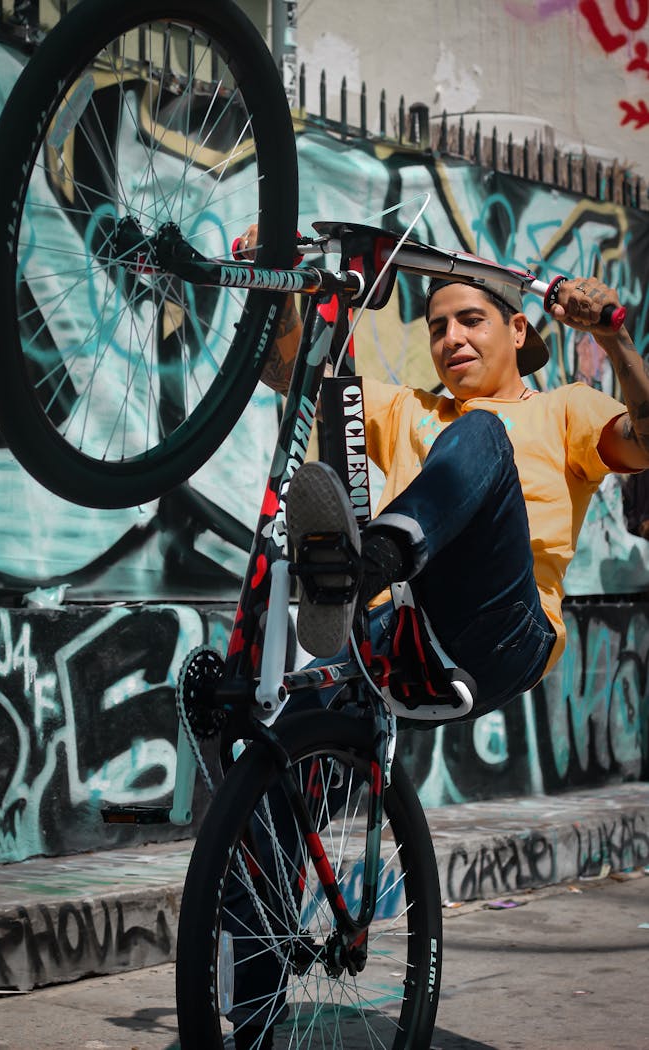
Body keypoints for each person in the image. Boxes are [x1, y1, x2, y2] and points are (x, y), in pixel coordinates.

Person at [230, 227, 649, 1048]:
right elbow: (289, 372)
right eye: (437, 327)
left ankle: (374, 556)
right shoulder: (405, 409)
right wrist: (277, 286)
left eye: (472, 322)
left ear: (519, 330)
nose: (452, 340)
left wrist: (614, 336)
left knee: (481, 439)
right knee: (264, 777)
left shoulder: (561, 409)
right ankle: (250, 1019)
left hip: (504, 628)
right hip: (398, 640)